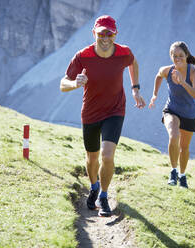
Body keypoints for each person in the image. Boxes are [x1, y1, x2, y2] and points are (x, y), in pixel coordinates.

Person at [60, 15, 146, 216]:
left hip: (115, 110)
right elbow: (63, 84)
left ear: (115, 34)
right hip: (90, 112)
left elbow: (133, 63)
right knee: (92, 158)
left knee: (107, 155)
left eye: (110, 33)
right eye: (101, 33)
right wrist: (75, 83)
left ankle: (104, 196)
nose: (105, 37)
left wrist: (135, 89)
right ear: (94, 33)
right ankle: (94, 187)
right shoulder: (83, 56)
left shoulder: (124, 53)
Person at [149, 41, 195, 188]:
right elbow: (158, 75)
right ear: (171, 56)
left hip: (189, 114)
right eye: (174, 56)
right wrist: (154, 95)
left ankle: (182, 175)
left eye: (181, 55)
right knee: (173, 135)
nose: (177, 58)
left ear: (186, 55)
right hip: (171, 110)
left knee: (184, 148)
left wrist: (183, 82)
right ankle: (173, 171)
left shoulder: (193, 72)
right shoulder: (167, 70)